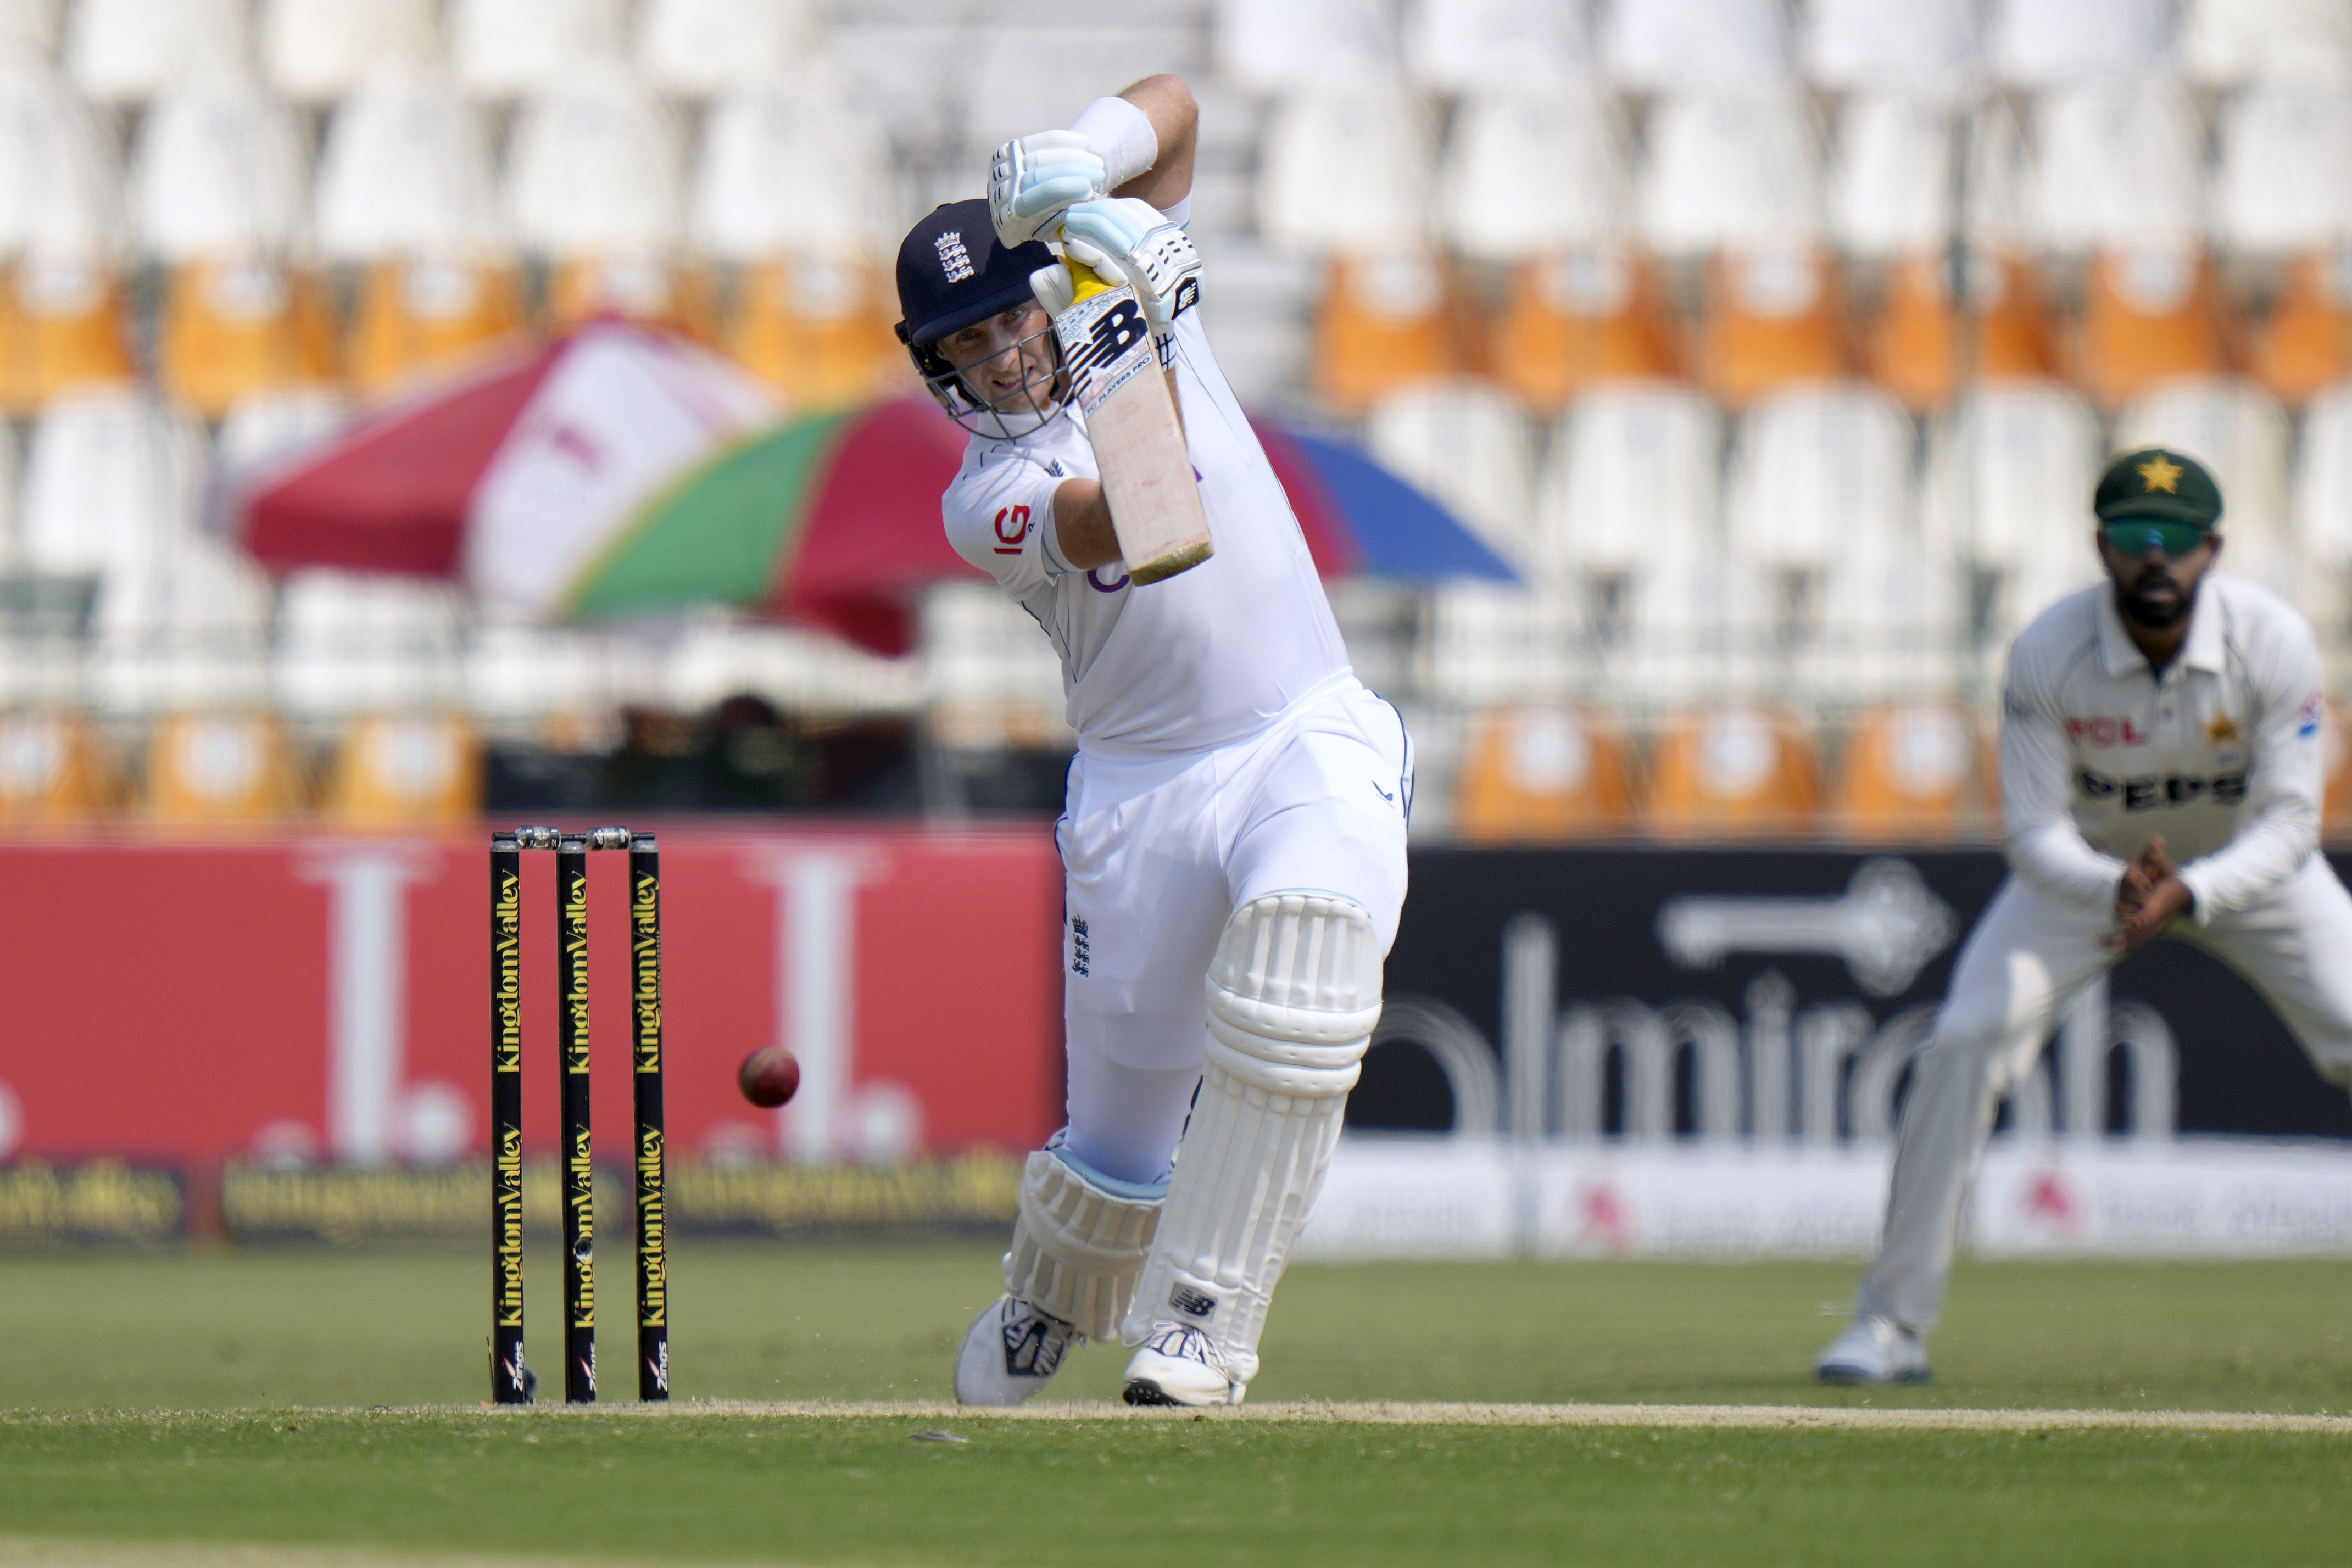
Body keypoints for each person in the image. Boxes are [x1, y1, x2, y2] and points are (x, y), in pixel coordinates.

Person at [892, 75, 1412, 1407]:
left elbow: (1175, 108)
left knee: (1303, 972)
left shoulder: (1098, 274)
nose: (1004, 351)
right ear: (938, 365)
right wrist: (1144, 318)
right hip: (1143, 791)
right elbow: (1140, 523)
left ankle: (1201, 1324)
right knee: (1119, 1135)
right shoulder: (986, 498)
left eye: (1010, 312)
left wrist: (1082, 162)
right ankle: (1051, 1301)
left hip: (1301, 727)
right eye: (969, 342)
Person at [1817, 447, 2352, 1383]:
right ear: (2099, 547)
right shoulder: (2046, 652)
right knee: (1969, 1037)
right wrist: (2114, 888)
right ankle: (1889, 1327)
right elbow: (2030, 833)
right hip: (2090, 881)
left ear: (2212, 549)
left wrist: (2193, 890)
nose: (2156, 558)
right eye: (2133, 537)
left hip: (2246, 876)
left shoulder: (2271, 642)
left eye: (2177, 540)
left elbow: (2292, 823)